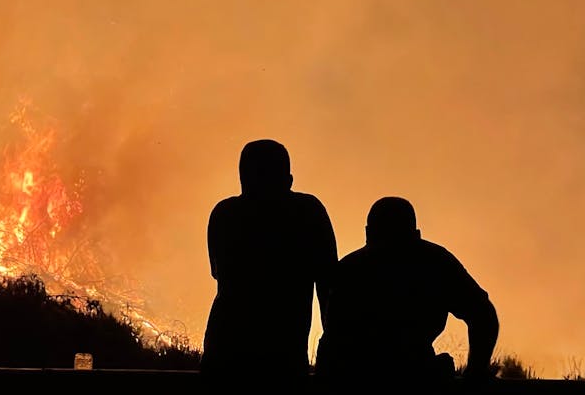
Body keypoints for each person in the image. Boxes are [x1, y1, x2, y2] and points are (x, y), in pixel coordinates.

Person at [317, 196, 499, 385]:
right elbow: (483, 314)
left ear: (368, 233)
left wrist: (475, 372)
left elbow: (331, 340)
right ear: (416, 233)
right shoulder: (435, 263)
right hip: (403, 374)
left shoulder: (350, 268)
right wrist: (476, 372)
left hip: (358, 377)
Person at [202, 139, 337, 383]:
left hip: (225, 348)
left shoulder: (225, 213)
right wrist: (333, 347)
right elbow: (328, 285)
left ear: (242, 179)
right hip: (283, 350)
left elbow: (218, 272)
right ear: (288, 180)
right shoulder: (308, 212)